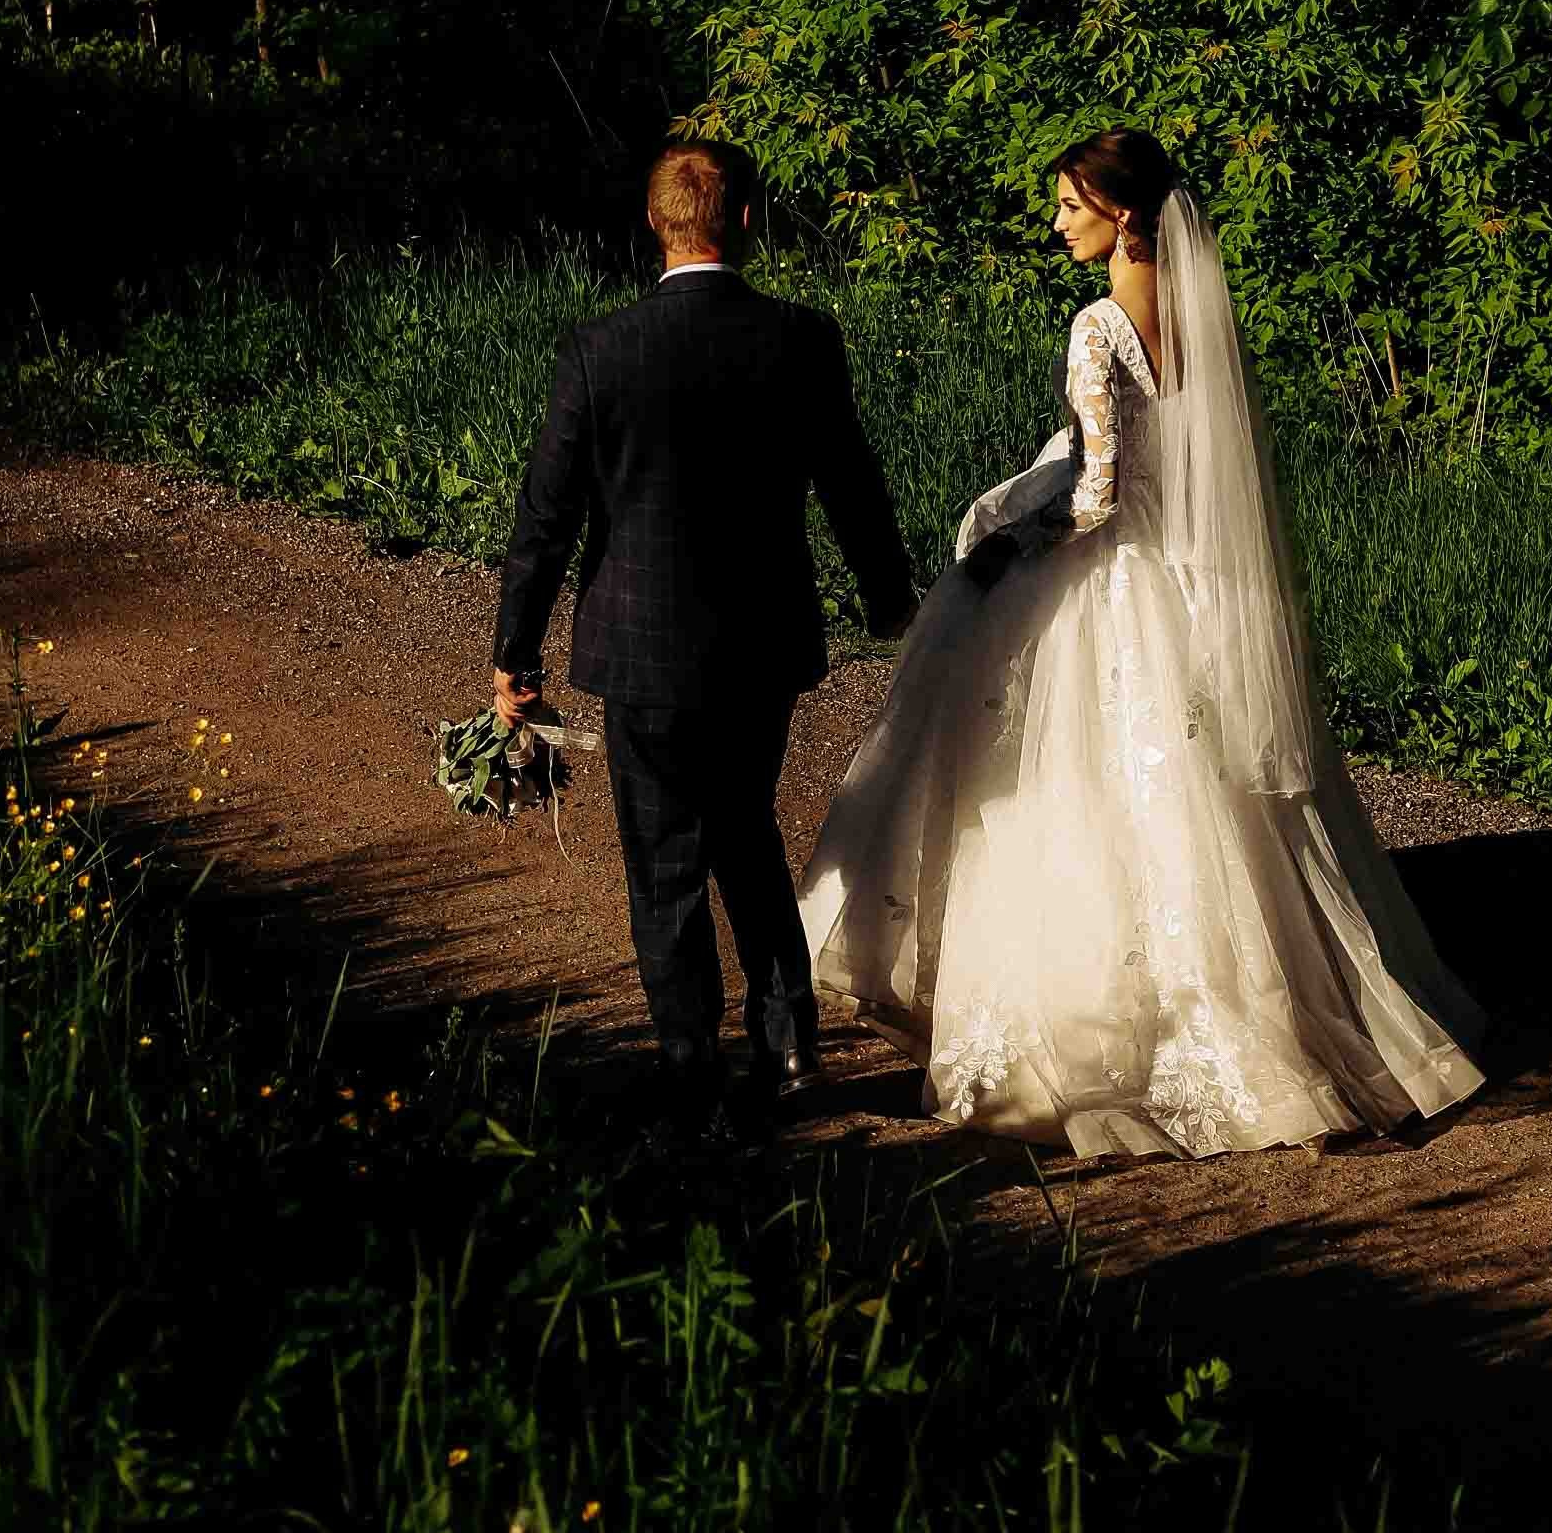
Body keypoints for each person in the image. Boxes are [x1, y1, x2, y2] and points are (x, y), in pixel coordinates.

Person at [799, 129, 1486, 1158]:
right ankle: (1293, 1019)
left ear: (1121, 216)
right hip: (1190, 585)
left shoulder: (1098, 325)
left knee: (1080, 791)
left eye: (1070, 203)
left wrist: (1001, 543)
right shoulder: (1201, 321)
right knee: (1208, 810)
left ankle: (1105, 1041)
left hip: (1113, 586)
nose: (1057, 220)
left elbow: (1099, 497)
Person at [492, 139, 914, 1137]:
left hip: (641, 651)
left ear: (652, 223)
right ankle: (789, 1039)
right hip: (761, 642)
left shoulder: (602, 350)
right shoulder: (799, 337)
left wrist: (516, 648)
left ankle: (690, 1059)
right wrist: (887, 597)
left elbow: (544, 516)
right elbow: (850, 482)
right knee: (746, 830)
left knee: (665, 856)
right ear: (748, 222)